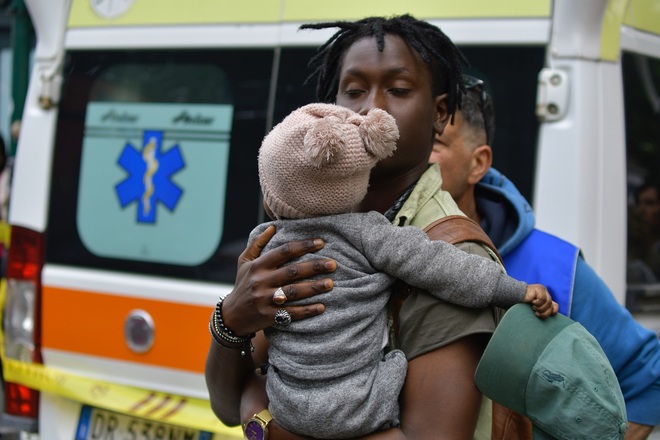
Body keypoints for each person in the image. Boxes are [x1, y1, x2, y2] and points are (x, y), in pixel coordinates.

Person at [206, 14, 518, 440]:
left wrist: (264, 423)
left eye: (399, 89)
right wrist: (230, 320)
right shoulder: (304, 230)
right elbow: (226, 406)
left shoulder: (450, 254)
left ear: (440, 114)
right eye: (353, 90)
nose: (372, 107)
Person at [237, 102, 555, 439]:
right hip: (361, 409)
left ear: (272, 197)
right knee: (396, 359)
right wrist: (514, 290)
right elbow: (447, 269)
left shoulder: (263, 244)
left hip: (288, 410)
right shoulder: (369, 233)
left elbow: (242, 378)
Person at [430, 74, 660, 440]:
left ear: (478, 163)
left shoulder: (554, 266)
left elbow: (649, 377)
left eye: (434, 141)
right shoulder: (359, 254)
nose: (410, 157)